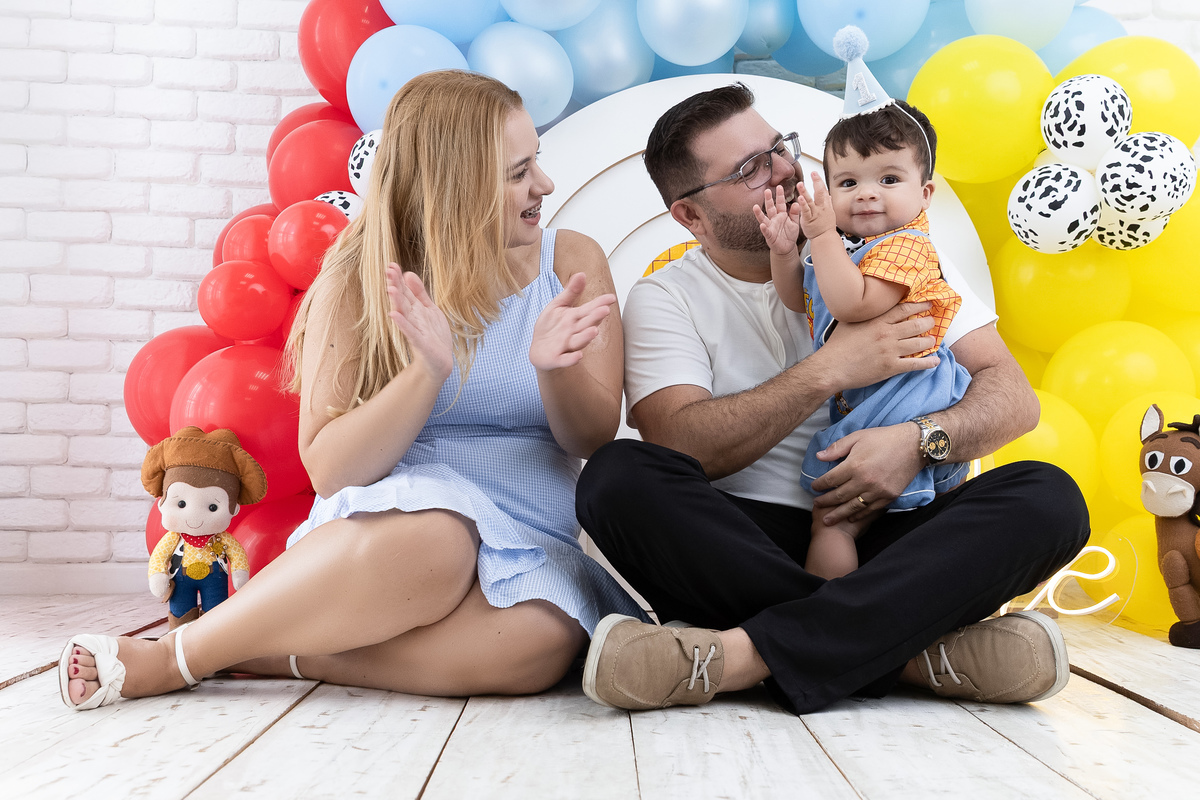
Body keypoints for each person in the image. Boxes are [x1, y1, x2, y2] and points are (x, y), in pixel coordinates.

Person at [59, 69, 646, 711]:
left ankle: (267, 648)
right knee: (440, 543)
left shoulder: (572, 261)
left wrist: (554, 368)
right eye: (517, 172)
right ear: (453, 188)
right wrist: (425, 374)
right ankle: (177, 659)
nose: (545, 186)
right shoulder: (359, 275)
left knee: (538, 649)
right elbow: (334, 469)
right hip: (397, 526)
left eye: (537, 161)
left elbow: (591, 439)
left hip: (529, 526)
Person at [576, 81, 1090, 716]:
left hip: (891, 530)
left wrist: (916, 443)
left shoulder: (895, 249)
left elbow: (1013, 399)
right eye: (749, 168)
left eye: (780, 147)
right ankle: (908, 655)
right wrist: (828, 369)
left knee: (1049, 498)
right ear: (690, 216)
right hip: (744, 542)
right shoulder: (666, 296)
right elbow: (682, 444)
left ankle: (743, 656)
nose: (788, 171)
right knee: (616, 478)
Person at [755, 96, 971, 580]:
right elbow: (802, 301)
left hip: (906, 403)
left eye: (889, 180)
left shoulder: (910, 247)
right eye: (849, 183)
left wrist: (824, 236)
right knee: (847, 523)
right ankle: (849, 608)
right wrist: (787, 252)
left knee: (833, 522)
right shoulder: (842, 250)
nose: (867, 194)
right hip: (869, 401)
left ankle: (829, 610)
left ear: (925, 193)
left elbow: (853, 304)